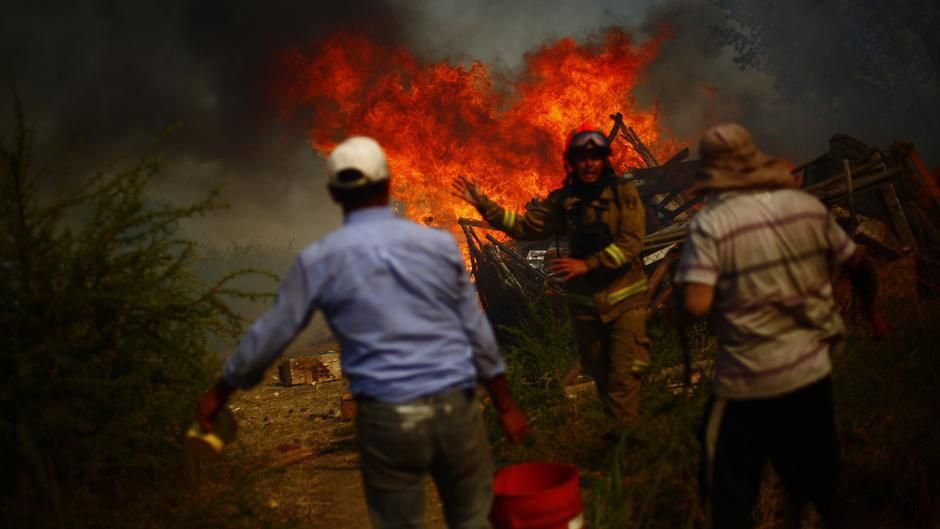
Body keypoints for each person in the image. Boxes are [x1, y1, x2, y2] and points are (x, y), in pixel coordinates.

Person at [196, 136, 529, 529]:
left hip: (387, 418)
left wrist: (220, 393)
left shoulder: (322, 259)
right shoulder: (437, 246)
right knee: (473, 518)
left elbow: (272, 333)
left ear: (334, 192)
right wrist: (505, 405)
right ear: (388, 186)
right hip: (453, 408)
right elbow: (476, 332)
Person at [672, 123, 888, 529]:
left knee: (728, 494)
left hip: (749, 382)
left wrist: (679, 306)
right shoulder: (805, 208)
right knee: (822, 487)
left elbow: (696, 305)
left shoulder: (712, 225)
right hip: (811, 374)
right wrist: (873, 315)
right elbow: (860, 264)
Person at [452, 124, 650, 439]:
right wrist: (484, 205)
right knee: (601, 376)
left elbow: (630, 243)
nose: (588, 164)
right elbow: (524, 226)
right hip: (587, 308)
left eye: (594, 157)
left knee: (624, 376)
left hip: (623, 301)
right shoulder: (564, 202)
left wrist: (589, 264)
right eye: (580, 158)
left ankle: (630, 450)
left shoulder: (623, 196)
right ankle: (616, 439)